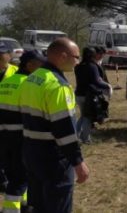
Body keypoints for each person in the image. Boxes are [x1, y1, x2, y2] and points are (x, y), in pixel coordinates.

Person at [19, 38, 89, 212]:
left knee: (38, 205)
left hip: (31, 152)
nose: (78, 61)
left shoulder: (31, 79)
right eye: (76, 57)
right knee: (58, 205)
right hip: (54, 159)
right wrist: (78, 162)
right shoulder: (57, 86)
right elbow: (64, 130)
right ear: (63, 56)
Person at [0, 50, 45, 213]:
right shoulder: (29, 84)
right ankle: (10, 210)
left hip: (3, 137)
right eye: (40, 64)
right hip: (21, 138)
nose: (43, 67)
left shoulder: (6, 82)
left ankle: (24, 204)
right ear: (30, 65)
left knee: (14, 174)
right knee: (20, 177)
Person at [75, 47, 112, 144]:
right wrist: (108, 86)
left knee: (83, 115)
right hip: (88, 95)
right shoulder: (92, 66)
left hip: (79, 94)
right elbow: (97, 81)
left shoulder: (78, 66)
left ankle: (76, 135)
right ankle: (85, 138)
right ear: (92, 55)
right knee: (88, 117)